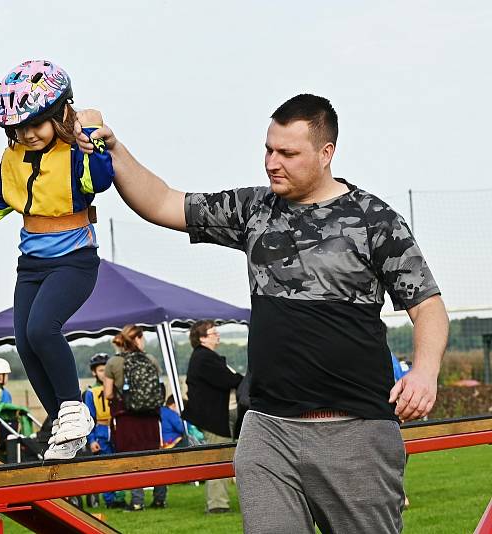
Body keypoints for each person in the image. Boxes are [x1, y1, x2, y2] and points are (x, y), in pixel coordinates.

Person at [76, 94, 448, 533]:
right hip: (269, 431)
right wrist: (115, 149)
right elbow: (162, 203)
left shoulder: (374, 220)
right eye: (269, 149)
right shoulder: (255, 210)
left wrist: (424, 372)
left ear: (326, 153)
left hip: (356, 432)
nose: (273, 162)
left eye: (288, 153)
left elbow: (428, 306)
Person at [0, 59, 114, 460]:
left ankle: (74, 411)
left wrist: (92, 142)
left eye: (36, 124)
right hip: (31, 265)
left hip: (74, 260)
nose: (27, 135)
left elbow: (98, 181)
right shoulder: (12, 157)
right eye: (18, 128)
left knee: (44, 328)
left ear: (60, 113)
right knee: (27, 344)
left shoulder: (76, 147)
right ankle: (64, 428)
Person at [182, 319, 243, 514]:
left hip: (214, 416)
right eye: (213, 333)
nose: (218, 335)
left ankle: (219, 502)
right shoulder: (204, 358)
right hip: (213, 419)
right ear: (201, 339)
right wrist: (245, 380)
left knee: (221, 457)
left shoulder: (205, 356)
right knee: (219, 459)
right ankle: (217, 504)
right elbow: (228, 380)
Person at [104, 325, 162, 512]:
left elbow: (108, 393)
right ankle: (160, 498)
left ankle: (137, 501)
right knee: (155, 456)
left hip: (127, 417)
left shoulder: (113, 362)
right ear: (137, 339)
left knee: (132, 459)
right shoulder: (151, 359)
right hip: (151, 416)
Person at [83, 353, 126, 509]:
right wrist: (92, 440)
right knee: (106, 466)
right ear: (94, 372)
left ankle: (121, 497)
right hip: (101, 430)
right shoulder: (90, 392)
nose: (104, 373)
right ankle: (110, 500)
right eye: (101, 370)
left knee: (120, 463)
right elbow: (89, 419)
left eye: (106, 369)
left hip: (117, 428)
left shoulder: (117, 387)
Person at [152, 394, 187, 509]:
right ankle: (160, 499)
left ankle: (158, 499)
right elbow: (182, 428)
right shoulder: (170, 413)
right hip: (171, 444)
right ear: (173, 404)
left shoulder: (157, 412)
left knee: (158, 473)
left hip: (157, 444)